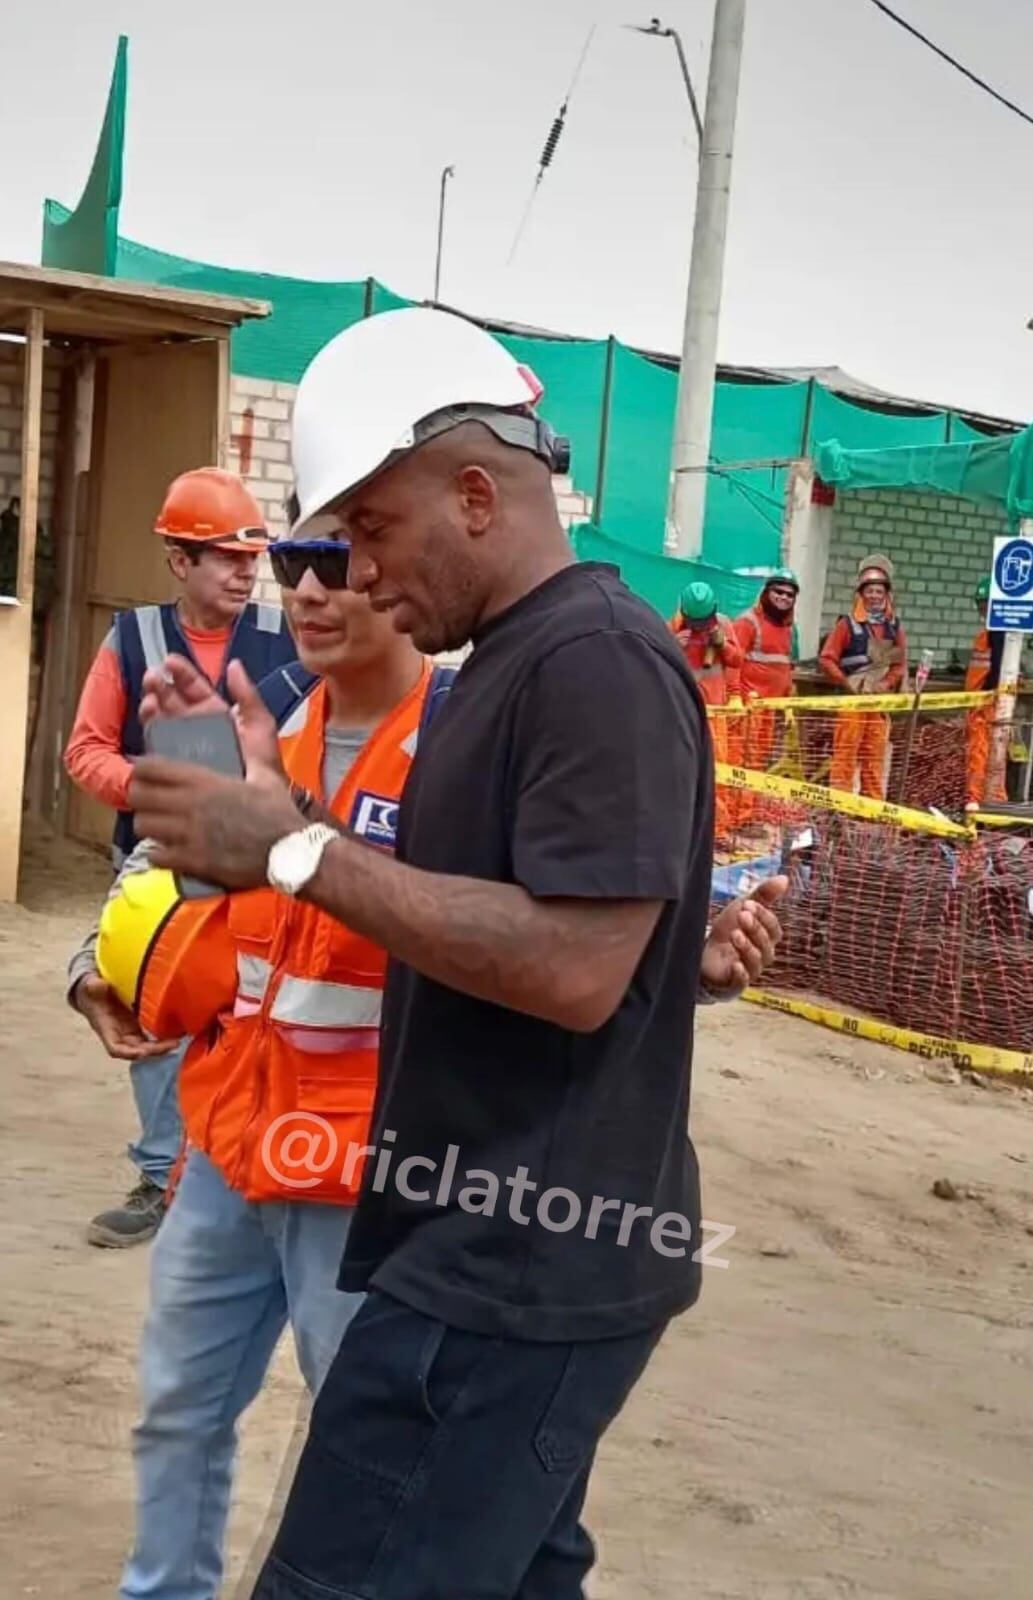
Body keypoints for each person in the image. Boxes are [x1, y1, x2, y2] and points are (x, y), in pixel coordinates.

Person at [126, 306, 787, 1600]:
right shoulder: (505, 669)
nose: (352, 577)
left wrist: (295, 851)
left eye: (370, 532)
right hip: (471, 1238)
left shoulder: (595, 662)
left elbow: (573, 966)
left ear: (476, 494)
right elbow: (529, 928)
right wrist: (279, 816)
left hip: (510, 1273)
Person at [68, 538, 453, 1600]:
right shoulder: (269, 719)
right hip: (229, 1145)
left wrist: (700, 955)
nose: (310, 586)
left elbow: (544, 920)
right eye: (295, 557)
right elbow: (163, 869)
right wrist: (90, 973)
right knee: (178, 1410)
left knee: (362, 1440)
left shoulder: (462, 742)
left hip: (362, 1178)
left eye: (339, 557)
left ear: (401, 569)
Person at [64, 467, 297, 1248]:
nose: (245, 571)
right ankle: (160, 1175)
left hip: (259, 877)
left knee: (254, 1023)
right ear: (179, 561)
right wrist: (161, 787)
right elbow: (86, 751)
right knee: (154, 1016)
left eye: (251, 556)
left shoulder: (284, 642)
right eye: (225, 557)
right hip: (158, 875)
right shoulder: (132, 640)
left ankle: (239, 1177)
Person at [820, 553, 907, 799]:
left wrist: (886, 684)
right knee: (845, 755)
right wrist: (846, 682)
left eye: (879, 592)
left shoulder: (893, 627)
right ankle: (841, 805)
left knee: (874, 758)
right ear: (861, 594)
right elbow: (827, 659)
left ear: (886, 595)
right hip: (852, 703)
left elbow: (898, 665)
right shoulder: (847, 625)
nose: (874, 596)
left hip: (878, 705)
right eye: (870, 591)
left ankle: (872, 809)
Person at [669, 579, 743, 841]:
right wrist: (672, 645)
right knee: (682, 768)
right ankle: (682, 825)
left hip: (714, 711)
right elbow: (659, 663)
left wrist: (722, 645)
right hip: (682, 711)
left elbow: (737, 661)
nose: (700, 628)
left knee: (718, 769)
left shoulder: (722, 625)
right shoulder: (673, 628)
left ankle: (718, 830)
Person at [733, 567, 799, 771]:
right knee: (742, 762)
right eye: (778, 592)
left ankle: (750, 803)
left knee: (759, 762)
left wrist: (789, 701)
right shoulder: (748, 622)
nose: (784, 597)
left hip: (769, 709)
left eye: (789, 594)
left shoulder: (790, 628)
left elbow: (787, 666)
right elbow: (732, 662)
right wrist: (734, 697)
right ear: (766, 592)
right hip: (748, 709)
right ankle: (738, 803)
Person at [964, 574, 1007, 813]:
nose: (983, 611)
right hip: (977, 703)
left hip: (984, 705)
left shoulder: (998, 633)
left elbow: (998, 668)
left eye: (986, 605)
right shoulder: (988, 632)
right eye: (981, 606)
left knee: (980, 753)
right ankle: (983, 799)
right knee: (978, 752)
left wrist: (986, 695)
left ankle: (976, 800)